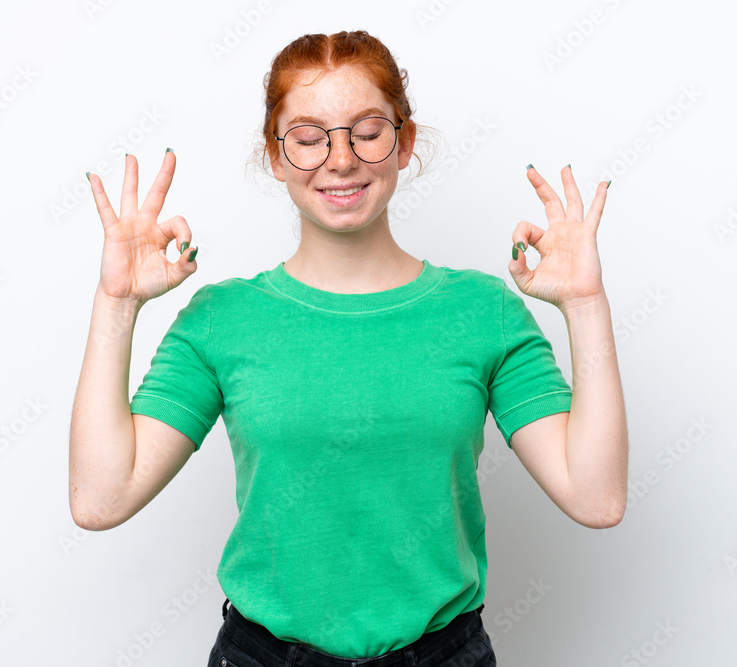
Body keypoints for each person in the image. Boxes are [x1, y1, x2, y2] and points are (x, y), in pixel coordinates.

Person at [69, 29, 628, 667]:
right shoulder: (222, 319)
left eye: (367, 131)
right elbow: (101, 499)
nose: (340, 160)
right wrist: (116, 303)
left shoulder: (483, 312)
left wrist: (586, 305)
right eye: (309, 138)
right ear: (276, 156)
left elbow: (596, 498)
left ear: (404, 143)